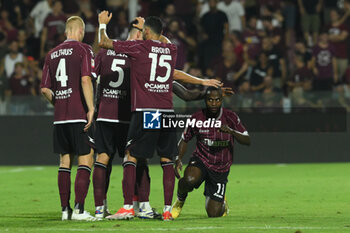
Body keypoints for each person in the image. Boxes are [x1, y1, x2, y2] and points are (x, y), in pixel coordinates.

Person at [97, 12, 222, 221]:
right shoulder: (170, 49)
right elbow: (164, 44)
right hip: (167, 113)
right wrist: (202, 81)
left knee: (131, 156)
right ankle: (166, 210)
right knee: (166, 161)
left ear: (145, 32)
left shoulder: (139, 48)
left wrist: (102, 25)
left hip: (147, 111)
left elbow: (103, 42)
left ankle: (128, 207)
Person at [40, 16, 96, 221]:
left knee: (64, 162)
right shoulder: (84, 50)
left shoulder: (51, 54)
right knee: (86, 158)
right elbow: (85, 79)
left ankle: (65, 211)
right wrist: (90, 108)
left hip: (60, 118)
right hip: (78, 114)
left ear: (66, 32)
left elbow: (45, 89)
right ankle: (80, 210)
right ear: (80, 31)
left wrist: (59, 103)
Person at [171, 87, 250, 218]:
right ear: (205, 101)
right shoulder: (196, 117)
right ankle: (180, 201)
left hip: (221, 167)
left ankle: (221, 199)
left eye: (217, 100)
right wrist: (178, 158)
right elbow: (184, 139)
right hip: (201, 159)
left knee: (214, 214)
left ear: (222, 100)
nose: (214, 103)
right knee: (189, 180)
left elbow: (247, 140)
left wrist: (231, 131)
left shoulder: (230, 117)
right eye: (210, 100)